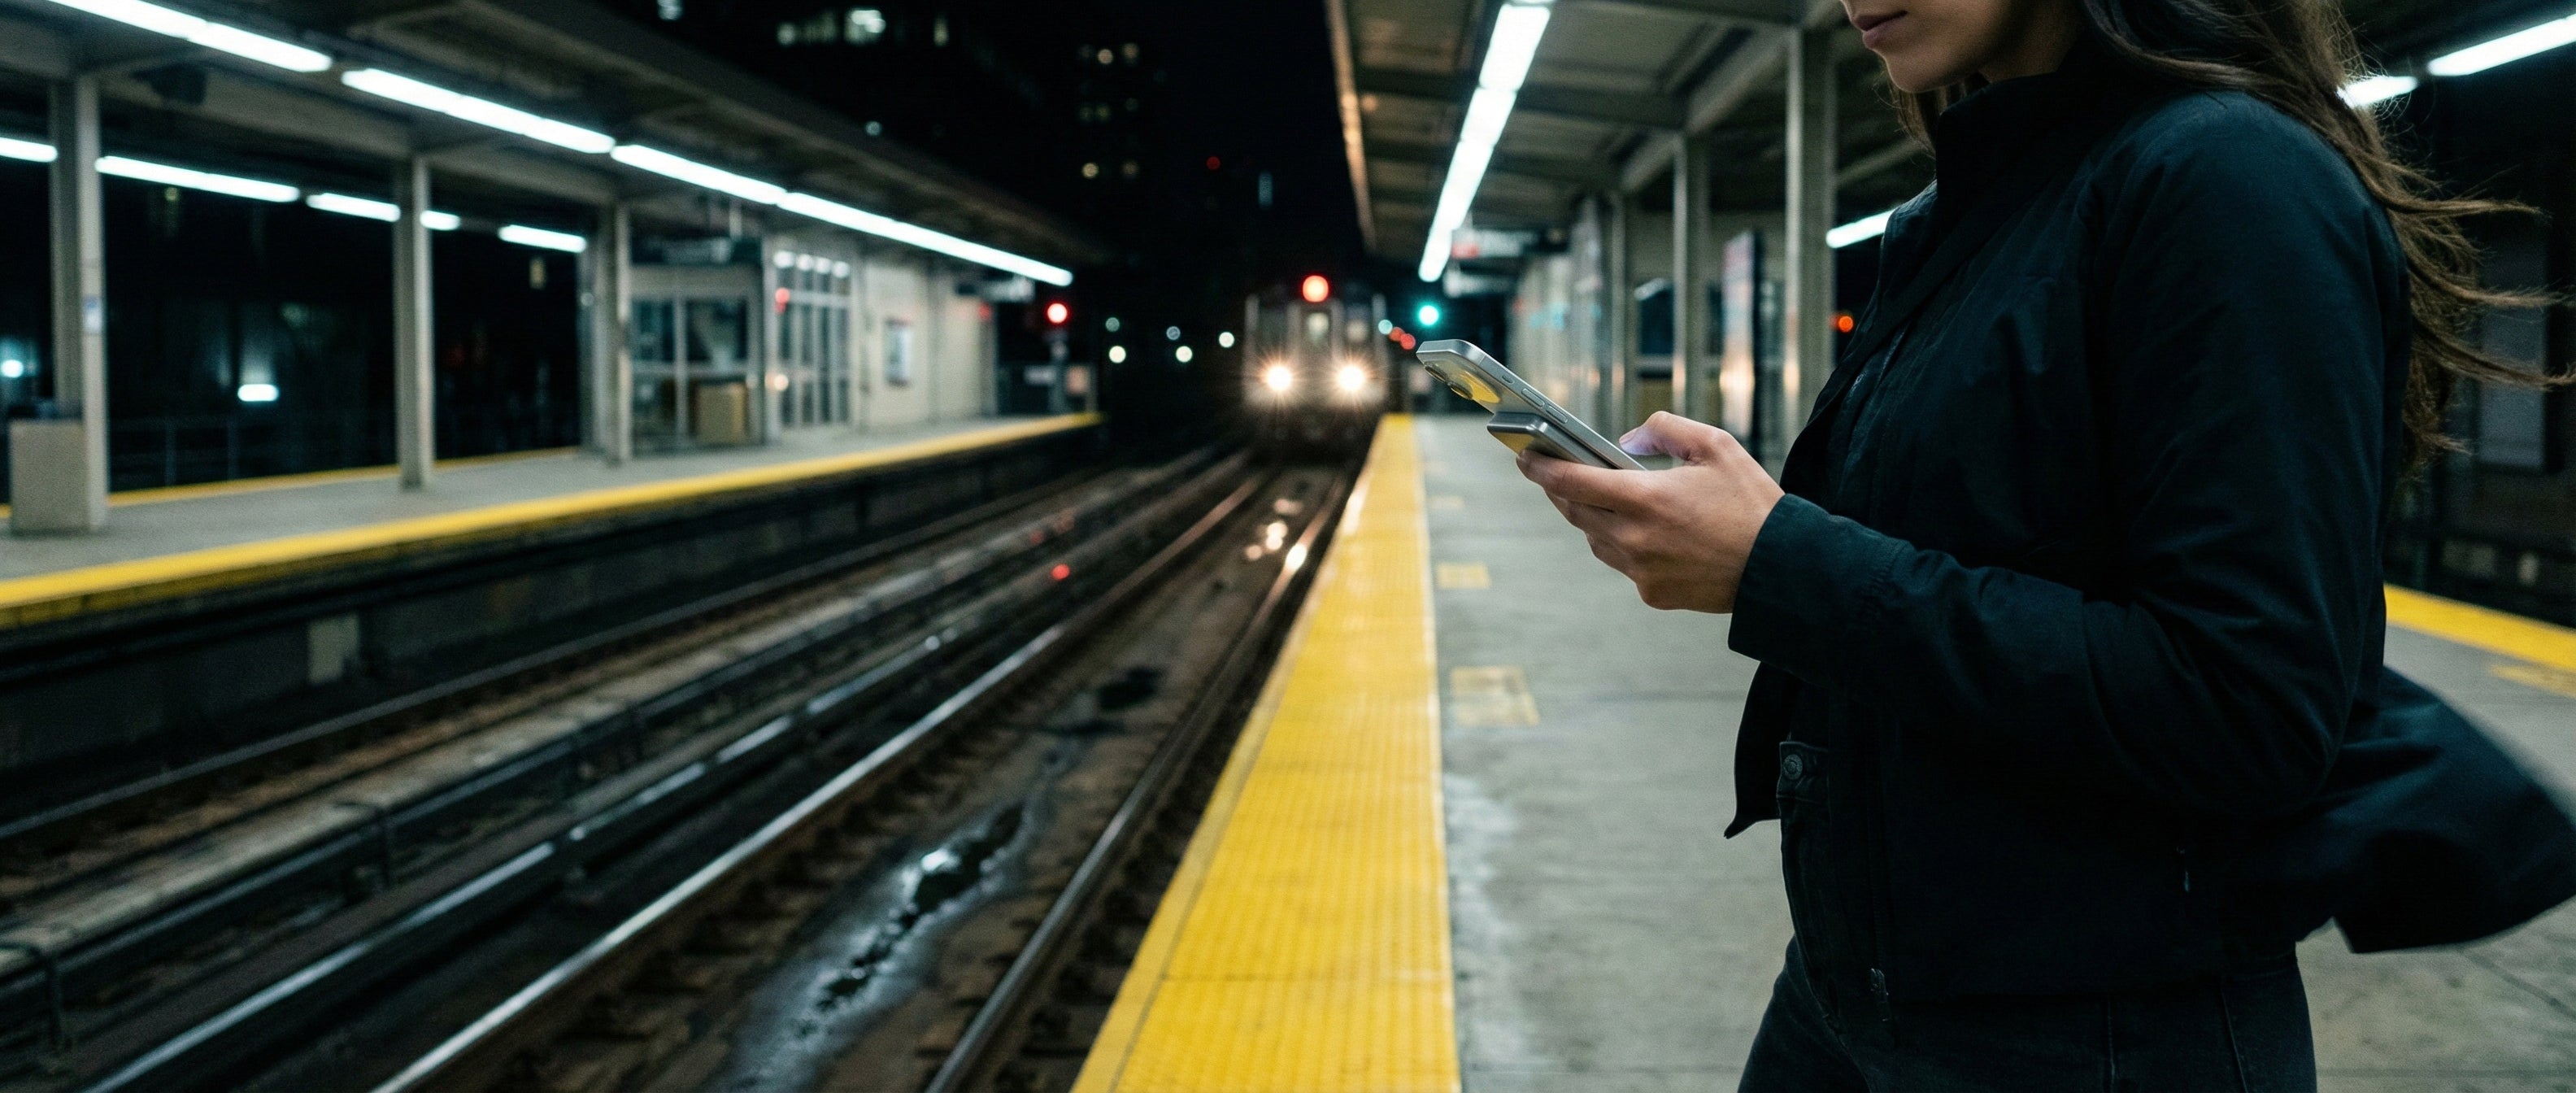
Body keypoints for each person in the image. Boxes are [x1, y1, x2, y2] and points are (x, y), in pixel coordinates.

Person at [1513, 0, 2558, 1086]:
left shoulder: (2228, 181)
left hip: (2095, 1029)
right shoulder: (1989, 203)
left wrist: (1779, 561)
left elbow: (2247, 705)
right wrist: (1759, 535)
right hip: (1863, 979)